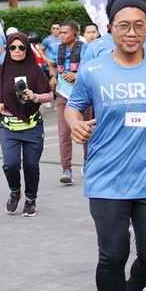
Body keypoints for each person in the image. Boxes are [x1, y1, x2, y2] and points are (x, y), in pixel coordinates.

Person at [65, 0, 146, 291]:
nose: (131, 32)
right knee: (113, 255)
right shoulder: (94, 69)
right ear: (110, 28)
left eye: (139, 25)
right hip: (107, 177)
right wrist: (76, 123)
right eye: (123, 25)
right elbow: (73, 106)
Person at [0, 32, 52, 217]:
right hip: (9, 127)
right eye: (12, 47)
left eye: (21, 47)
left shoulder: (36, 70)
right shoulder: (2, 71)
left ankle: (31, 199)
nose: (17, 51)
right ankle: (14, 191)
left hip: (32, 126)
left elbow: (49, 95)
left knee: (31, 165)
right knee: (10, 164)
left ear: (27, 49)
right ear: (8, 49)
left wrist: (35, 96)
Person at [49, 20, 87, 184]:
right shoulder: (57, 49)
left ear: (75, 34)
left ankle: (88, 161)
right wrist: (53, 77)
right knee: (64, 133)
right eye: (60, 32)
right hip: (62, 95)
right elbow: (52, 65)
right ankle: (66, 169)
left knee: (86, 130)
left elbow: (91, 69)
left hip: (83, 96)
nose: (61, 35)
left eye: (65, 33)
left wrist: (76, 76)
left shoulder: (85, 49)